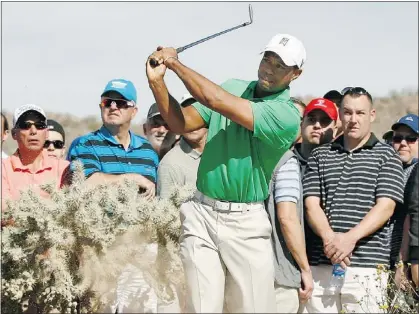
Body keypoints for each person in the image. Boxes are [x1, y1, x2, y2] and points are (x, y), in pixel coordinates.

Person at [146, 33, 305, 313]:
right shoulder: (234, 86)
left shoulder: (287, 116)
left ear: (295, 74)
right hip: (201, 214)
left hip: (247, 223)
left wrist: (174, 63)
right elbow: (180, 122)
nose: (268, 68)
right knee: (201, 308)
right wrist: (157, 82)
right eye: (267, 59)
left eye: (279, 65)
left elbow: (215, 99)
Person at [301, 87, 405, 313]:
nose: (353, 119)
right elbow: (311, 204)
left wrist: (349, 239)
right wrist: (330, 239)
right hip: (321, 264)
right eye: (347, 112)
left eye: (360, 113)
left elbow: (386, 206)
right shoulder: (321, 155)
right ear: (340, 114)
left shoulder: (387, 157)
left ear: (372, 115)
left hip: (366, 267)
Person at [67, 79, 160, 313]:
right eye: (107, 102)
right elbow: (86, 184)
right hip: (100, 246)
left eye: (121, 102)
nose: (113, 107)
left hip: (140, 248)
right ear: (101, 106)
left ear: (134, 111)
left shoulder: (147, 151)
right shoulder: (85, 144)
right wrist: (131, 178)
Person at [2, 105, 70, 208]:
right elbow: (5, 212)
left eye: (40, 125)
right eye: (25, 125)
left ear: (46, 133)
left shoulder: (64, 168)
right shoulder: (3, 168)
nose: (33, 131)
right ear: (14, 134)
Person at [157, 93, 207, 199]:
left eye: (198, 115)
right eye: (186, 116)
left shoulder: (223, 153)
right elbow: (166, 212)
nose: (192, 122)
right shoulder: (170, 164)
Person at [388, 114, 418, 287]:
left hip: (408, 262)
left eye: (411, 138)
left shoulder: (416, 171)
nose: (404, 143)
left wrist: (403, 262)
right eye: (398, 138)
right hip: (384, 260)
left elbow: (411, 219)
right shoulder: (389, 170)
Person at [293, 98, 338, 175]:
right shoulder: (285, 160)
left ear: (335, 131)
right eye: (311, 119)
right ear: (301, 124)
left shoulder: (340, 164)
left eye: (324, 121)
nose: (317, 125)